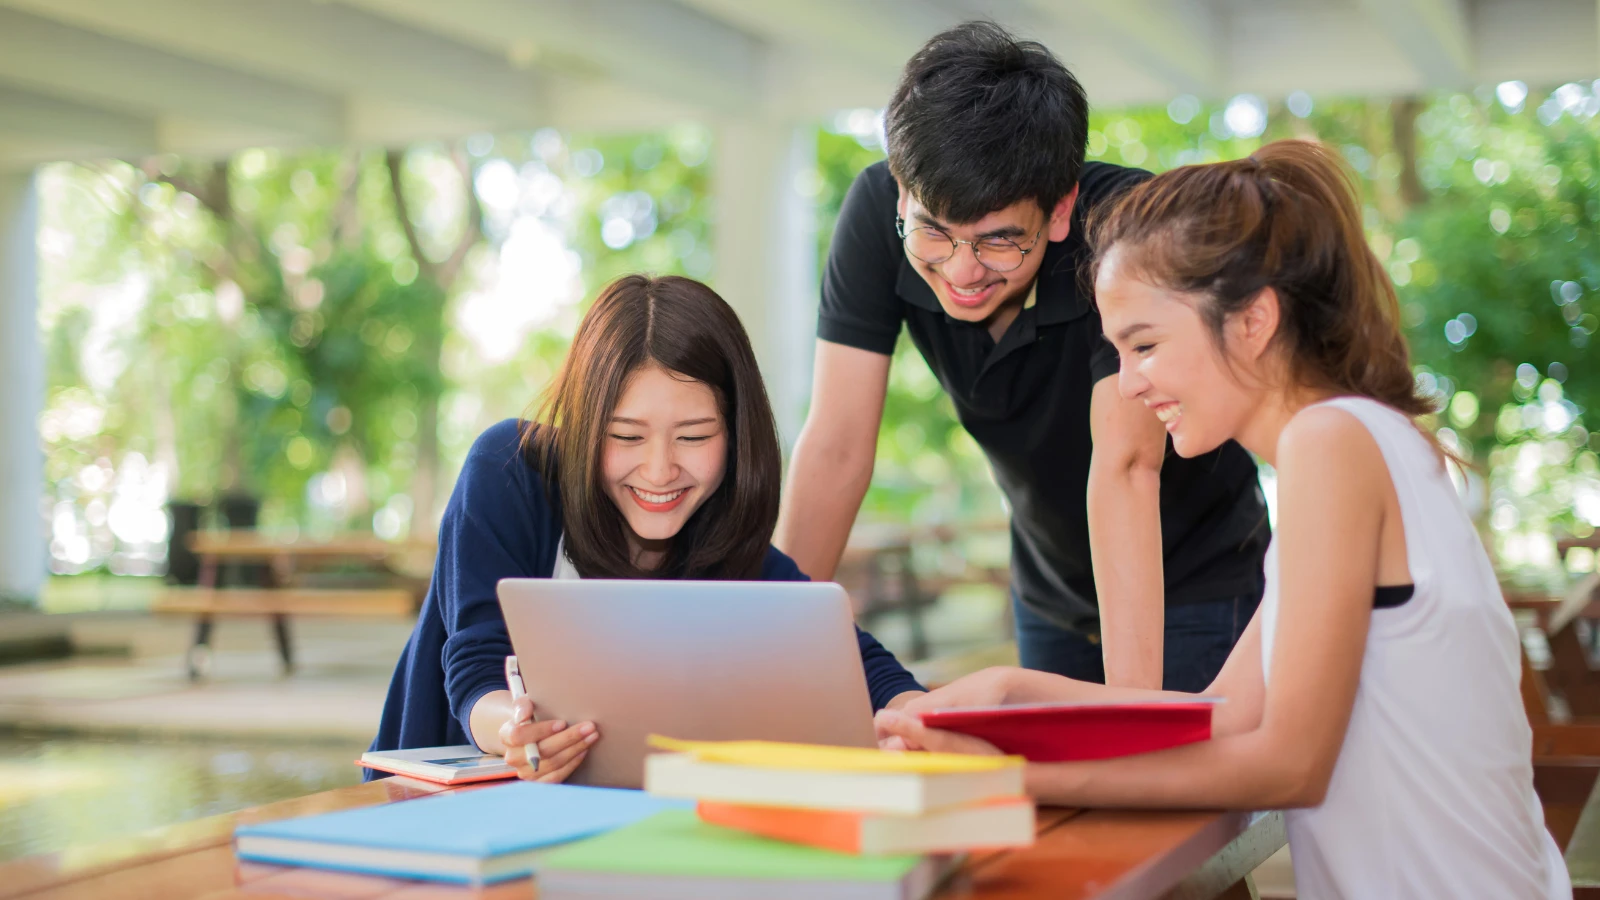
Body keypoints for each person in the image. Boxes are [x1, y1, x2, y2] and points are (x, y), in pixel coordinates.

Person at [875, 140, 1569, 898]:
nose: (1129, 384)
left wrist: (1014, 775)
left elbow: (1288, 765)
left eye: (1144, 346)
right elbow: (1227, 715)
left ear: (1252, 321)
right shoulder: (1369, 440)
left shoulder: (1330, 444)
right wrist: (1012, 690)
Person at [776, 21, 1269, 693]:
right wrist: (767, 650)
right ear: (901, 192)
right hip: (1049, 591)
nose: (962, 271)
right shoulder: (876, 219)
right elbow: (834, 447)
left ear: (1060, 209)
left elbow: (1125, 468)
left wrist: (1130, 716)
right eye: (935, 233)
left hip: (1195, 577)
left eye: (998, 241)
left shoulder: (1125, 228)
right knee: (1052, 794)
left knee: (1156, 785)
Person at [369, 274, 924, 783]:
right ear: (585, 424)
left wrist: (913, 716)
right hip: (439, 807)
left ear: (736, 436)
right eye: (627, 437)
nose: (660, 471)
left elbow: (846, 658)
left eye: (695, 436)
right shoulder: (511, 469)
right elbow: (474, 665)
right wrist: (514, 731)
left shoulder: (721, 535)